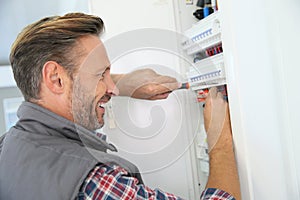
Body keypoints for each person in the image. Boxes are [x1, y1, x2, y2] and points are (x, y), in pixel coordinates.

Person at [0, 13, 240, 200]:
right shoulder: (92, 183)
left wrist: (125, 82)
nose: (113, 89)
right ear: (56, 79)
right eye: (101, 74)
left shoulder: (10, 146)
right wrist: (220, 144)